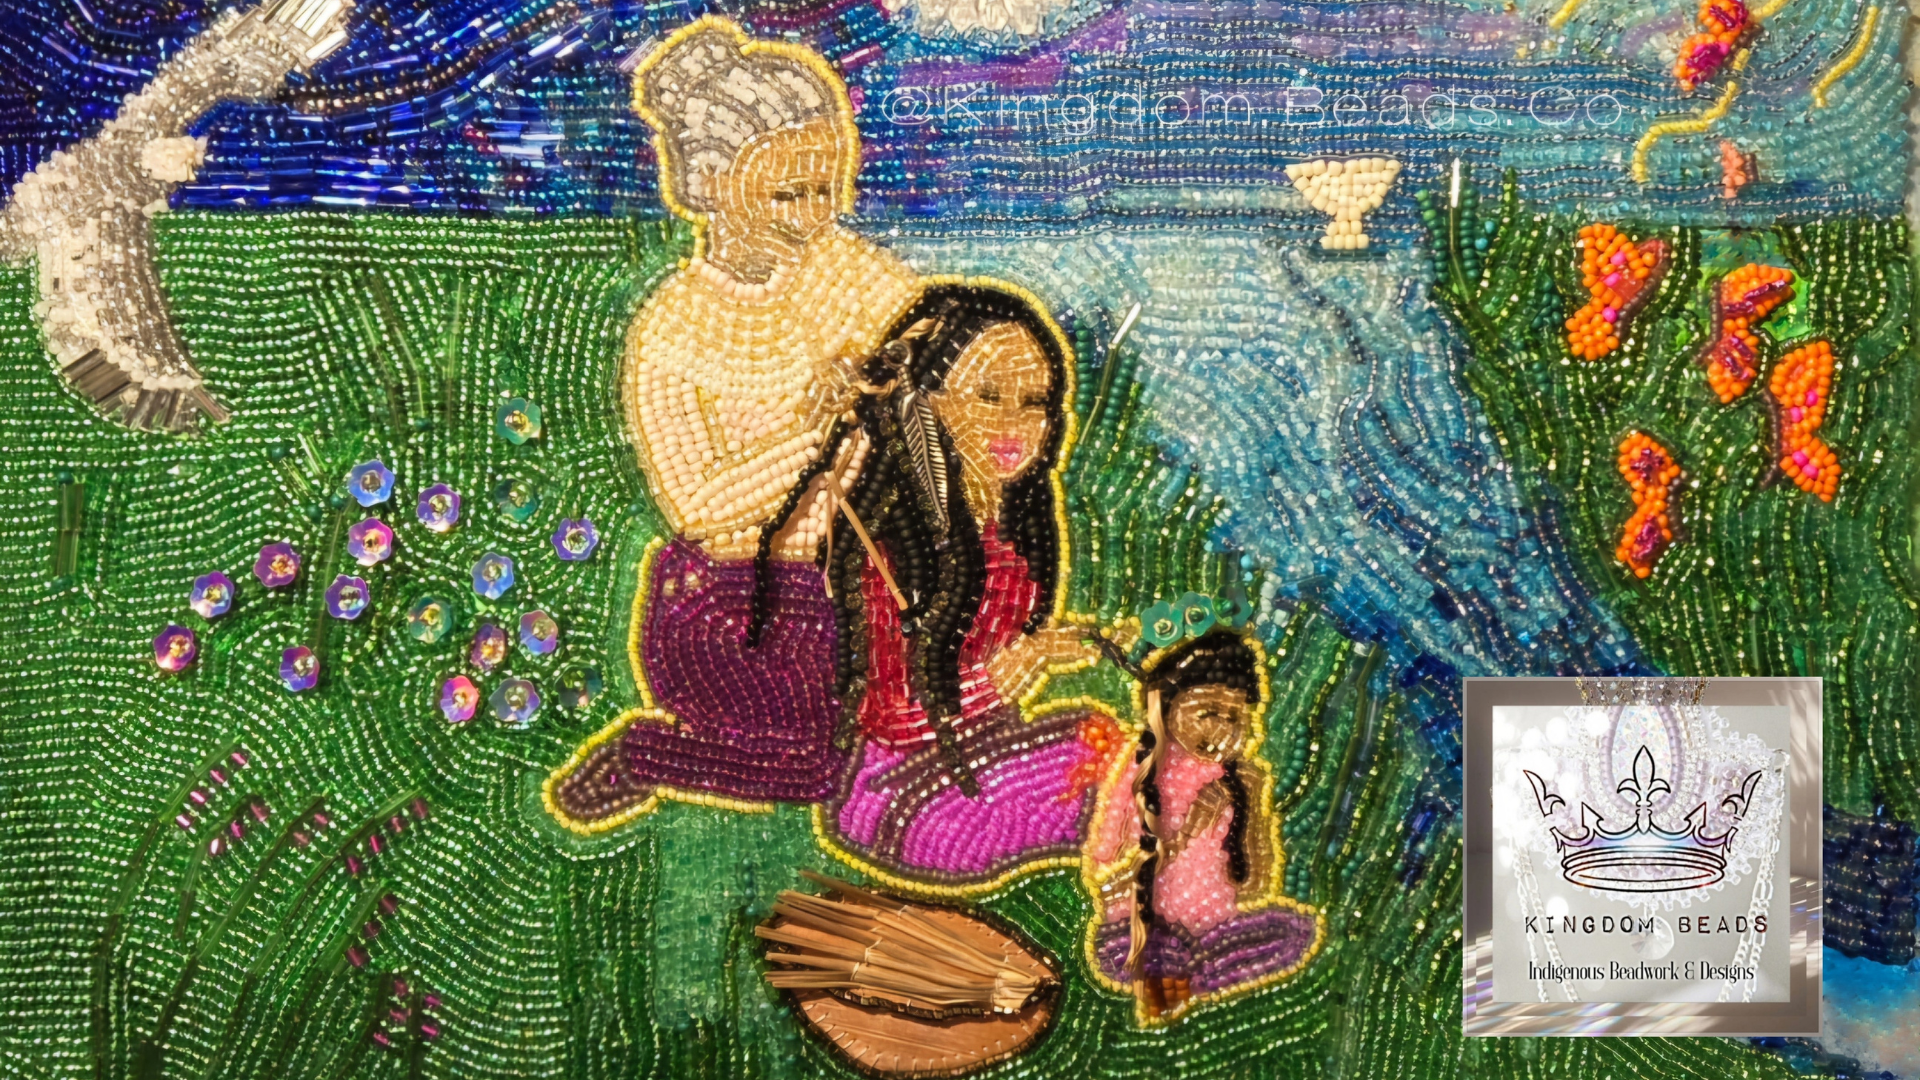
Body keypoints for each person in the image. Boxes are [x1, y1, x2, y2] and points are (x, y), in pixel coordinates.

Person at [547, 18, 920, 828]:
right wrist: (816, 431)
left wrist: (895, 382)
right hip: (731, 598)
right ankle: (648, 755)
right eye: (789, 194)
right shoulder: (674, 324)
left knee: (894, 741)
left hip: (862, 578)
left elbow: (934, 349)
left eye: (829, 187)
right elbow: (699, 506)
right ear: (713, 184)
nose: (817, 215)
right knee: (815, 767)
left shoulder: (855, 272)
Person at [815, 283, 1124, 889]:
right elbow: (888, 714)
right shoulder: (890, 545)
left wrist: (1044, 649)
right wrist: (1003, 676)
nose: (1014, 423)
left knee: (1108, 746)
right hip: (904, 791)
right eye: (988, 395)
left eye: (1033, 401)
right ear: (929, 403)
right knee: (1113, 775)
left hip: (985, 755)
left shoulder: (1009, 533)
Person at [1082, 630, 1323, 1023]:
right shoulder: (1144, 772)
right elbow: (1106, 880)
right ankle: (1178, 1001)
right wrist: (1190, 827)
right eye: (1207, 713)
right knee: (1158, 952)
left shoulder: (1238, 783)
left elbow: (1256, 887)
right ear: (1167, 708)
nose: (1220, 731)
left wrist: (1253, 814)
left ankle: (1199, 982)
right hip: (1141, 932)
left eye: (1234, 719)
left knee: (1296, 930)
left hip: (1214, 934)